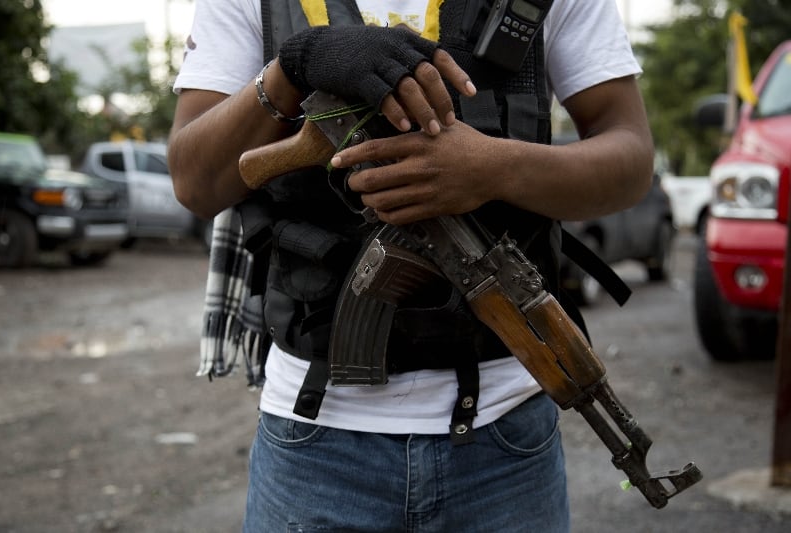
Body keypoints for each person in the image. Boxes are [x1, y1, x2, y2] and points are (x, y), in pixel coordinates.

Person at [168, 1, 654, 531]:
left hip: (506, 439)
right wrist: (293, 67)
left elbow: (630, 162)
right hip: (313, 443)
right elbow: (196, 182)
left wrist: (495, 169)